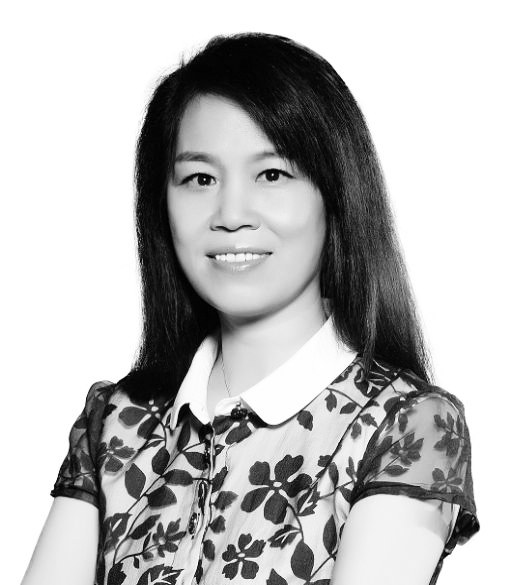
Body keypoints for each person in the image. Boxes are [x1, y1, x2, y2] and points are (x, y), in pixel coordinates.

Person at [21, 32, 480, 585]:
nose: (231, 213)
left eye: (272, 174)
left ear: (335, 194)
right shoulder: (116, 422)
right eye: (200, 178)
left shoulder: (404, 425)